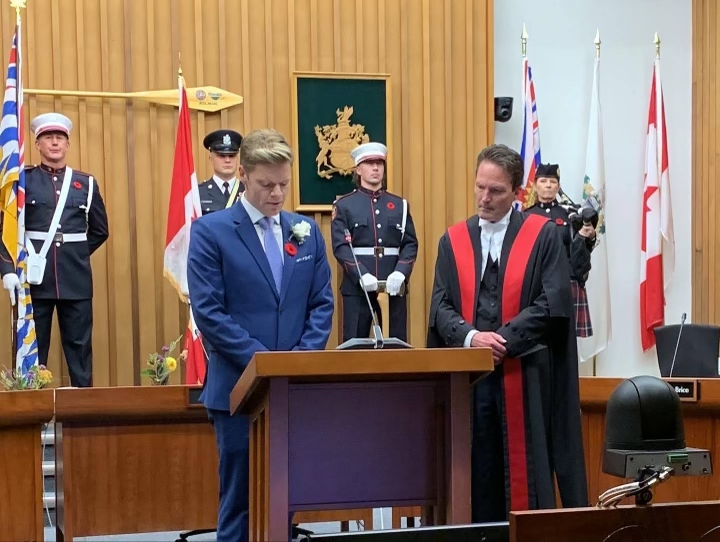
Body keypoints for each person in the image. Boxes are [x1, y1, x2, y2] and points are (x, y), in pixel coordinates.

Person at [426, 144, 588, 522]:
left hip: (526, 377)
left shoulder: (544, 236)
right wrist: (471, 338)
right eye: (479, 187)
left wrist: (503, 341)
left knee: (524, 474)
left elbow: (553, 302)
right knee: (474, 468)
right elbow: (439, 307)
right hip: (470, 382)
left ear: (517, 192)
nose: (484, 197)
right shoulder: (452, 241)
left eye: (496, 191)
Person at [187, 128, 334, 542]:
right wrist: (263, 364)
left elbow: (321, 302)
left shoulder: (304, 230)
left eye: (284, 184)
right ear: (245, 177)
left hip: (292, 388)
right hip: (238, 389)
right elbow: (210, 312)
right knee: (239, 501)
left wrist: (299, 360)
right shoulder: (212, 232)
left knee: (285, 498)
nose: (276, 194)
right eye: (267, 184)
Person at [0, 112, 109, 387]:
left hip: (76, 279)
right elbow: (6, 230)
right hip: (35, 281)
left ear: (68, 144)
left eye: (60, 138)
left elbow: (100, 230)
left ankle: (82, 418)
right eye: (48, 138)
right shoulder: (22, 182)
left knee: (80, 350)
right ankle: (30, 414)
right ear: (37, 144)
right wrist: (7, 270)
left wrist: (76, 254)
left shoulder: (86, 183)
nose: (55, 143)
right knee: (33, 352)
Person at [331, 142, 418, 342]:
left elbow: (410, 244)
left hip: (393, 285)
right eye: (370, 163)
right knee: (354, 346)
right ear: (358, 169)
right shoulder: (344, 206)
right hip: (357, 286)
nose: (376, 168)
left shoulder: (399, 205)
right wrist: (361, 274)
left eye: (379, 163)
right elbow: (341, 246)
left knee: (396, 346)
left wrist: (401, 273)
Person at [524, 163, 597, 337]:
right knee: (537, 335)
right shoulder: (525, 217)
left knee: (566, 337)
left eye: (552, 181)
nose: (548, 185)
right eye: (543, 181)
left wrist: (589, 236)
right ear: (535, 185)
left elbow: (586, 248)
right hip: (536, 282)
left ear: (558, 186)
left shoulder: (572, 214)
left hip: (566, 281)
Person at [198, 129, 244, 215]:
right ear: (211, 159)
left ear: (237, 158)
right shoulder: (199, 193)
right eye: (221, 156)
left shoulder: (248, 191)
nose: (227, 160)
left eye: (232, 156)